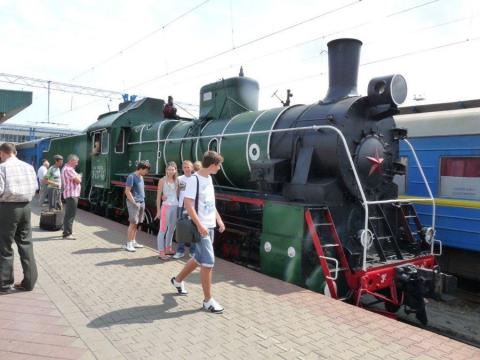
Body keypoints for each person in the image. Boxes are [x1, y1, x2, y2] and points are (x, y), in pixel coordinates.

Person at [171, 151, 226, 313]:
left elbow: (210, 203)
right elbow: (188, 204)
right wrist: (200, 225)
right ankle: (208, 301)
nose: (220, 168)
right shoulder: (194, 180)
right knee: (208, 262)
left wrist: (219, 219)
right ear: (212, 165)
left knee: (198, 258)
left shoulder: (209, 179)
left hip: (210, 226)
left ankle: (177, 280)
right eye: (219, 165)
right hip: (200, 227)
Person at [0, 142, 38, 293]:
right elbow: (35, 188)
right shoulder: (29, 167)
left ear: (2, 153)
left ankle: (4, 284)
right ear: (14, 152)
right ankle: (29, 282)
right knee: (26, 243)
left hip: (8, 208)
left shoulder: (2, 168)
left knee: (4, 246)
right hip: (26, 207)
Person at [124, 161, 150, 252]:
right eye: (146, 170)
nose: (146, 172)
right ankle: (128, 244)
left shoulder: (141, 177)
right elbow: (127, 191)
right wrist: (134, 202)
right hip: (134, 203)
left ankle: (133, 241)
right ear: (141, 168)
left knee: (136, 223)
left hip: (141, 202)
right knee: (132, 223)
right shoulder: (131, 176)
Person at [173, 160, 196, 259]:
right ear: (182, 168)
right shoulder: (180, 179)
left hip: (193, 206)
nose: (187, 169)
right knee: (181, 229)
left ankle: (193, 251)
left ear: (192, 168)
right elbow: (179, 192)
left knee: (193, 229)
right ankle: (180, 251)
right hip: (181, 205)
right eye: (185, 167)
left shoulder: (195, 179)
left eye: (188, 167)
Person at [156, 162, 179, 260]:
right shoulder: (162, 180)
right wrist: (158, 211)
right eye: (169, 169)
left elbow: (179, 194)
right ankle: (161, 252)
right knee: (162, 230)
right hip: (166, 207)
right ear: (166, 170)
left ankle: (168, 249)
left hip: (175, 207)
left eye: (172, 169)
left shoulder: (177, 181)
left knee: (171, 229)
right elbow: (158, 197)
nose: (171, 171)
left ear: (175, 170)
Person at [61, 154, 82, 240]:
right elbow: (78, 181)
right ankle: (67, 233)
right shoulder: (69, 169)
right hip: (71, 194)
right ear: (71, 161)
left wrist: (78, 177)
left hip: (71, 194)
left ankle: (67, 230)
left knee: (69, 214)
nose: (76, 164)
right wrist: (79, 177)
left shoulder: (67, 169)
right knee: (70, 215)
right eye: (76, 162)